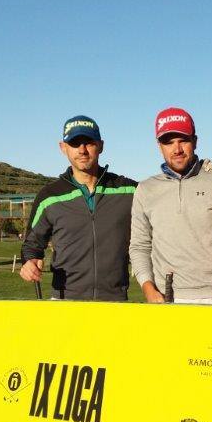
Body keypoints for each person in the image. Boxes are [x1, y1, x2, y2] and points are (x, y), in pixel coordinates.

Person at [130, 107, 212, 304]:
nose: (177, 149)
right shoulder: (146, 189)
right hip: (166, 298)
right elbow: (139, 246)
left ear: (195, 141)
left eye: (183, 140)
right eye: (168, 142)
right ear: (159, 145)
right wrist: (148, 288)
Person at [20, 115, 137, 300]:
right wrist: (29, 262)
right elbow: (32, 246)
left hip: (115, 302)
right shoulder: (49, 196)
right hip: (65, 301)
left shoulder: (129, 190)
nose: (82, 150)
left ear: (101, 145)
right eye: (75, 143)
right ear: (63, 148)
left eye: (89, 142)